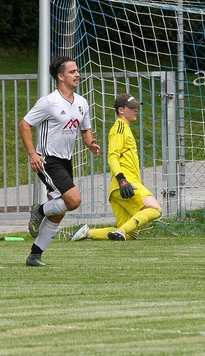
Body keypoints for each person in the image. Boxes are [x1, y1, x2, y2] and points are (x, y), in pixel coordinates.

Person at [20, 56, 101, 266]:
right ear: (60, 76)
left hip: (66, 160)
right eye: (72, 71)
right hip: (47, 160)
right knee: (74, 200)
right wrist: (33, 154)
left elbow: (85, 129)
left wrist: (90, 143)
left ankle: (35, 256)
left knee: (59, 212)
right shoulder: (49, 102)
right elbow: (24, 124)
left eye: (77, 71)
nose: (78, 74)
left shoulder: (82, 102)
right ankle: (39, 210)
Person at [70, 93, 162, 241]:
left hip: (118, 188)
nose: (136, 110)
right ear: (121, 110)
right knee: (155, 209)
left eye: (136, 107)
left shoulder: (125, 128)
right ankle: (120, 231)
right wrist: (122, 180)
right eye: (132, 107)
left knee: (130, 234)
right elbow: (112, 156)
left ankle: (87, 233)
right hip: (125, 183)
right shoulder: (119, 128)